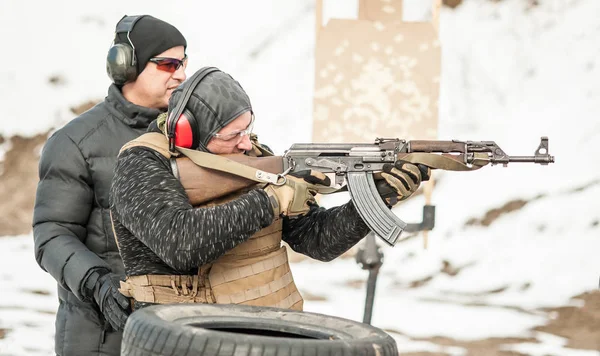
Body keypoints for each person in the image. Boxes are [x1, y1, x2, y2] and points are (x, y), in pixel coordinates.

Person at [109, 67, 430, 312]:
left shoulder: (256, 159)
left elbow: (317, 241)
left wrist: (380, 196)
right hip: (181, 334)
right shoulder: (141, 164)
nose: (246, 142)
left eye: (247, 128)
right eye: (232, 134)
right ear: (189, 132)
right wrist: (273, 198)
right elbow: (181, 245)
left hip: (260, 328)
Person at [32, 15, 187, 356]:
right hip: (98, 335)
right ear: (128, 68)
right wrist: (98, 284)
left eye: (183, 62)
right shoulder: (76, 142)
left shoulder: (186, 137)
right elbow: (51, 234)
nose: (181, 74)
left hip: (172, 331)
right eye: (168, 64)